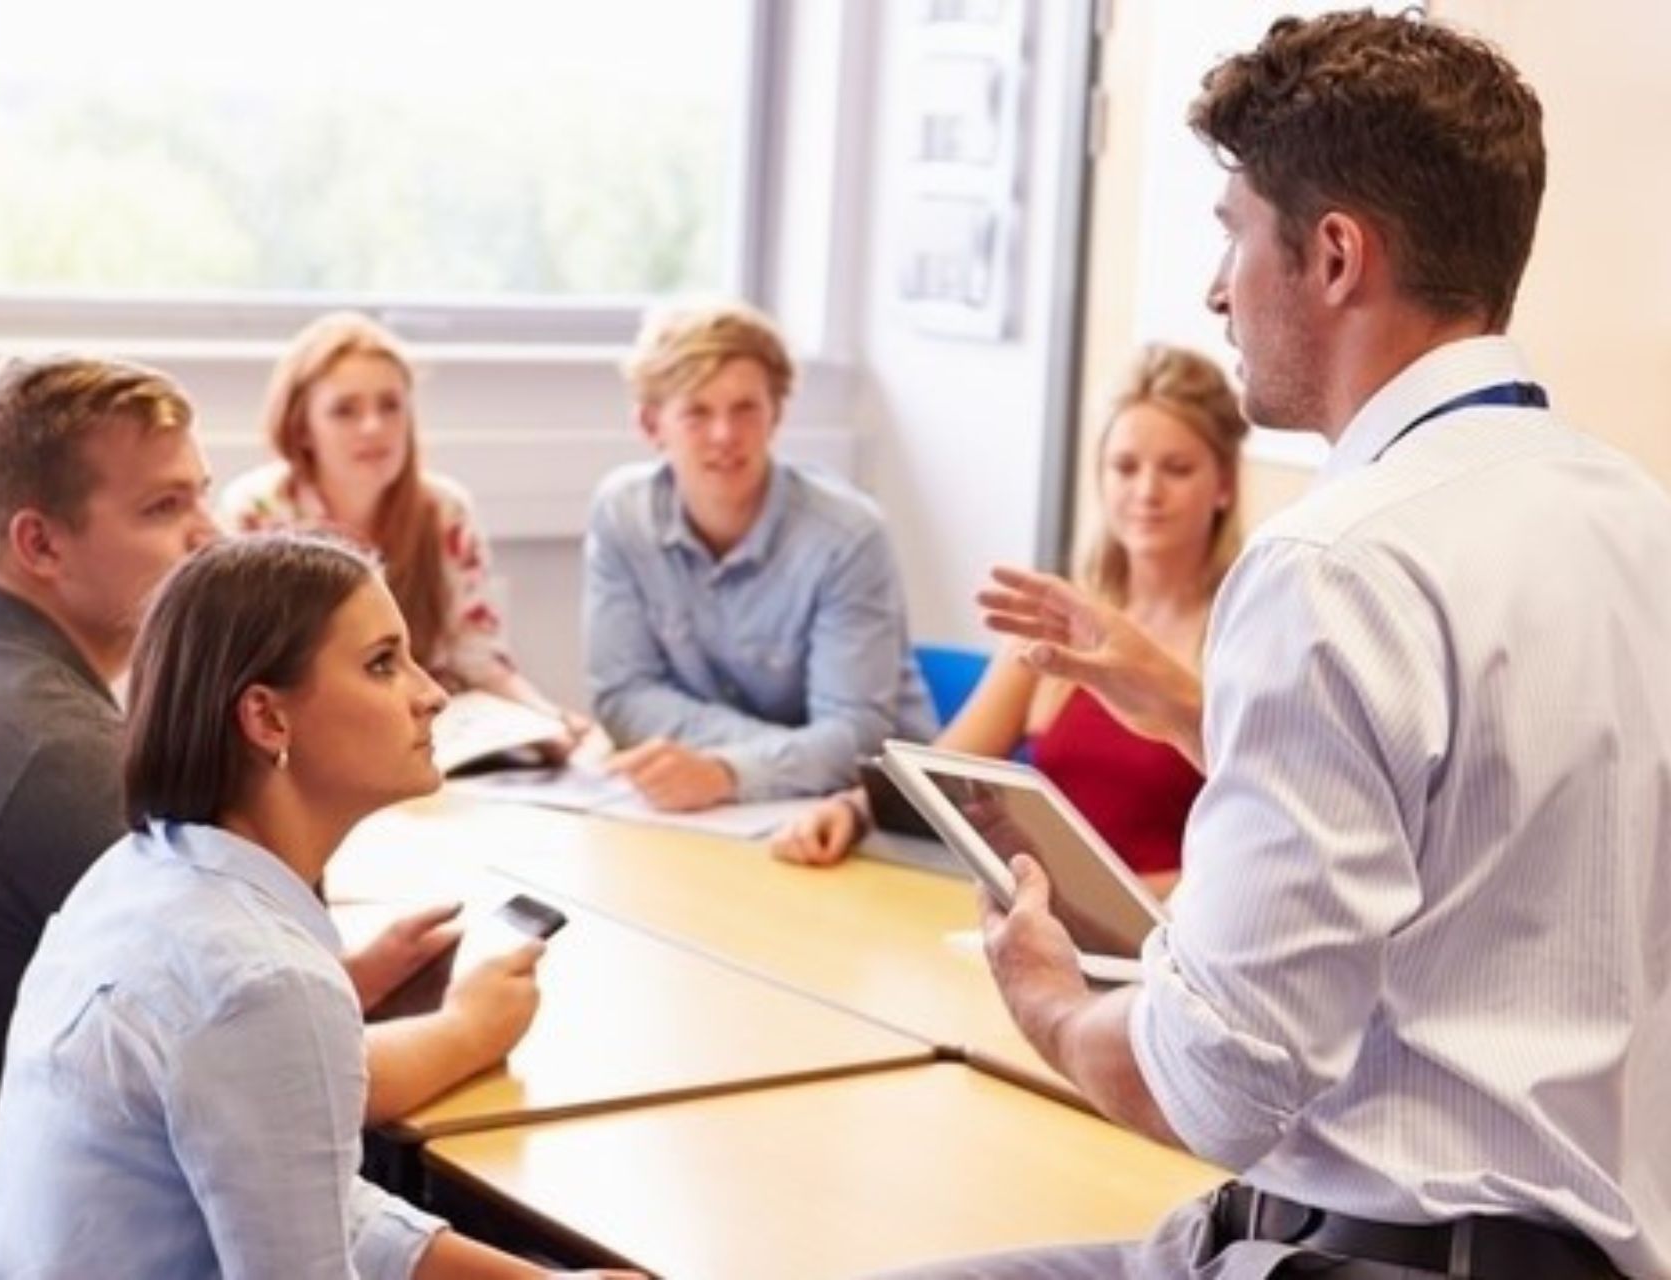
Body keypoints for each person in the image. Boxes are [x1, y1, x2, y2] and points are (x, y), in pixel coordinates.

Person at [894, 12, 1669, 1278]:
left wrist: (1043, 991)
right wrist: (1200, 713)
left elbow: (1218, 1084)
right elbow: (1477, 817)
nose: (1216, 289)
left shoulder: (1334, 561)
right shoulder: (1636, 517)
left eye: (1232, 235)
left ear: (1334, 254)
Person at [0, 356, 539, 1278]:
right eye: (163, 509)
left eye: (198, 497)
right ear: (40, 545)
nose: (206, 535)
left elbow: (203, 1036)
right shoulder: (64, 757)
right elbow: (262, 1062)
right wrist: (469, 1030)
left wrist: (340, 984)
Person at [0, 535, 632, 1279]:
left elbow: (297, 1201)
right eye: (383, 663)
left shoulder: (136, 873)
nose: (432, 692)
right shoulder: (265, 982)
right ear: (268, 720)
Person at [772, 346, 1245, 893]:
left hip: (1174, 942)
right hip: (1040, 924)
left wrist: (1126, 899)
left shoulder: (1245, 635)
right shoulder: (1058, 618)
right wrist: (851, 809)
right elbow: (943, 772)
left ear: (1225, 485)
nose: (1147, 492)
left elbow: (1261, 852)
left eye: (1177, 469)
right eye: (1125, 467)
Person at [584, 299, 934, 811]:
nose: (725, 435)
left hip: (871, 812)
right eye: (697, 412)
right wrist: (766, 758)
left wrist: (729, 770)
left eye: (745, 408)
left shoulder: (849, 537)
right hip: (735, 808)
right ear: (651, 425)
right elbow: (622, 697)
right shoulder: (622, 515)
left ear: (776, 414)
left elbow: (855, 738)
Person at [218, 312, 582, 742]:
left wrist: (548, 721)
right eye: (345, 411)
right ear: (301, 429)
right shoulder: (258, 513)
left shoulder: (445, 512)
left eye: (390, 406)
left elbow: (481, 663)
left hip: (433, 739)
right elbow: (252, 674)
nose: (373, 427)